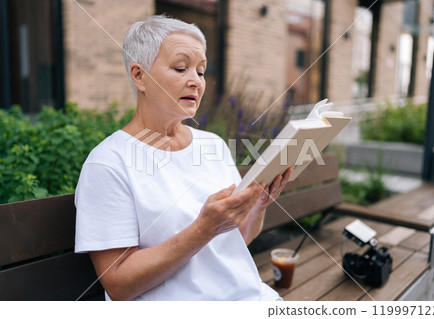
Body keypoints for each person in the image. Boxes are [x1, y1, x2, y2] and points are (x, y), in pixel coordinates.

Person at [75, 15, 292, 301]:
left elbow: (237, 239)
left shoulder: (212, 146)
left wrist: (258, 206)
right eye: (181, 68)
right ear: (139, 76)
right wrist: (203, 229)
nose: (196, 82)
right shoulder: (108, 163)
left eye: (201, 71)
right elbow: (118, 284)